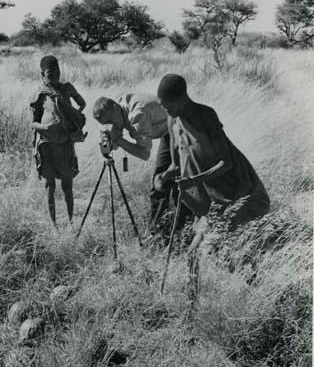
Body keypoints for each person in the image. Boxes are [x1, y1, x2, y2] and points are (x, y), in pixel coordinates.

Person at [156, 73, 270, 288]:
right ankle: (192, 304)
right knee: (192, 256)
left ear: (182, 98)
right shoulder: (172, 121)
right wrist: (164, 177)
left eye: (167, 105)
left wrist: (195, 180)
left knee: (220, 251)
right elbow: (177, 164)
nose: (165, 110)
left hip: (237, 192)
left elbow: (225, 163)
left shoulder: (205, 115)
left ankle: (258, 289)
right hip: (211, 202)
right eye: (162, 106)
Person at [92, 93, 188, 233]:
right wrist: (109, 140)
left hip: (183, 130)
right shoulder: (118, 108)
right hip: (168, 131)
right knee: (161, 185)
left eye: (111, 122)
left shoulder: (137, 114)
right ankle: (160, 232)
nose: (112, 126)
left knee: (170, 183)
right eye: (107, 124)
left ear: (115, 107)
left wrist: (118, 140)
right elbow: (117, 132)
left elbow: (144, 154)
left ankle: (179, 231)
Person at [30, 55, 87, 226]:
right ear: (42, 74)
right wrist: (46, 128)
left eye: (57, 72)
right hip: (47, 147)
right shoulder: (40, 94)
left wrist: (73, 117)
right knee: (50, 187)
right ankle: (54, 225)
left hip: (65, 145)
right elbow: (33, 123)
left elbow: (82, 104)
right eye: (49, 73)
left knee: (68, 187)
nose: (54, 75)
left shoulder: (67, 88)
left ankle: (71, 223)